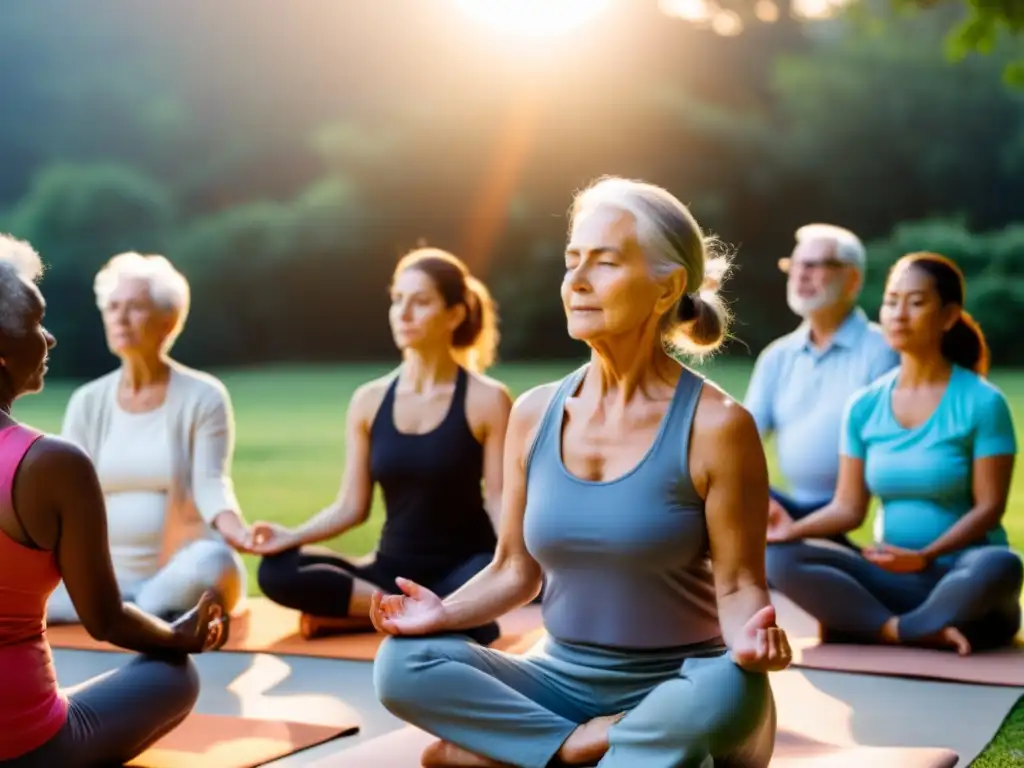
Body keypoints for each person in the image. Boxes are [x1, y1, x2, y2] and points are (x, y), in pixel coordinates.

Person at [370, 177, 791, 768]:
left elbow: (740, 584)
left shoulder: (719, 426)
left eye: (606, 263)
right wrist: (443, 614)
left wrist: (750, 641)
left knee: (729, 692)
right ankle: (577, 748)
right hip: (559, 684)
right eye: (572, 263)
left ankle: (511, 753)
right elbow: (514, 569)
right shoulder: (534, 413)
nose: (578, 282)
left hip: (679, 690)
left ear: (667, 286)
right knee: (402, 664)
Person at [0, 235, 226, 767]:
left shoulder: (198, 395)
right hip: (28, 747)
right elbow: (105, 621)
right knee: (171, 672)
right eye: (36, 323)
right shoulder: (51, 462)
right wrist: (175, 635)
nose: (50, 339)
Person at [767, 252, 1022, 655]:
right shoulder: (864, 405)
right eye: (891, 301)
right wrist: (790, 531)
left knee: (1002, 564)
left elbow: (989, 509)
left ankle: (879, 625)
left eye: (916, 302)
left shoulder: (982, 403)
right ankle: (909, 628)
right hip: (891, 575)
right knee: (778, 558)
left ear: (949, 315)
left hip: (961, 573)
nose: (899, 314)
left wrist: (925, 556)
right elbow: (848, 509)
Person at [252, 247, 512, 643]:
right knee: (276, 571)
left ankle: (388, 615)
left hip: (465, 566)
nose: (403, 314)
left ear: (454, 315)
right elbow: (351, 507)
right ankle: (415, 612)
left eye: (420, 302)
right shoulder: (368, 401)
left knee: (479, 592)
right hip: (390, 568)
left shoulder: (487, 399)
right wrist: (290, 536)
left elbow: (499, 499)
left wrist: (517, 564)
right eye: (397, 300)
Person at [46, 252, 250, 625]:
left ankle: (127, 613)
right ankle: (135, 615)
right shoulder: (87, 401)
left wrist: (238, 530)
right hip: (99, 579)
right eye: (113, 306)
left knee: (214, 564)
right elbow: (66, 497)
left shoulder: (204, 396)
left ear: (167, 322)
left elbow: (211, 483)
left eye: (135, 307)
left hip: (177, 574)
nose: (120, 318)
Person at [745, 224, 898, 550]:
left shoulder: (884, 350)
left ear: (853, 280)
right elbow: (742, 440)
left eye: (815, 265)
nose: (801, 274)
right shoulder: (777, 356)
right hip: (785, 506)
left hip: (846, 514)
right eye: (796, 264)